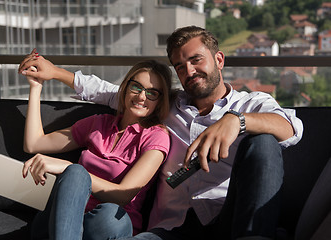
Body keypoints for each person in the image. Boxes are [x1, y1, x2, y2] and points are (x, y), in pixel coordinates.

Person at [19, 26, 303, 240]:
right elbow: (111, 92)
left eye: (196, 60)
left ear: (218, 59)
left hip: (226, 219)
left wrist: (237, 121)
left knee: (264, 141)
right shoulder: (166, 105)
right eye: (180, 66)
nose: (189, 71)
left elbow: (291, 127)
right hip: (170, 228)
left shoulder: (250, 104)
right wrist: (55, 72)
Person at [21, 60, 172, 240]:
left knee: (110, 214)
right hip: (61, 221)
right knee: (75, 175)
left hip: (104, 227)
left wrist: (69, 169)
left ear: (160, 101)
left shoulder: (156, 136)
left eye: (152, 93)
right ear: (125, 87)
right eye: (136, 87)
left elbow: (124, 194)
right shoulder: (99, 123)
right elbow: (34, 144)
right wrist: (36, 87)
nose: (141, 97)